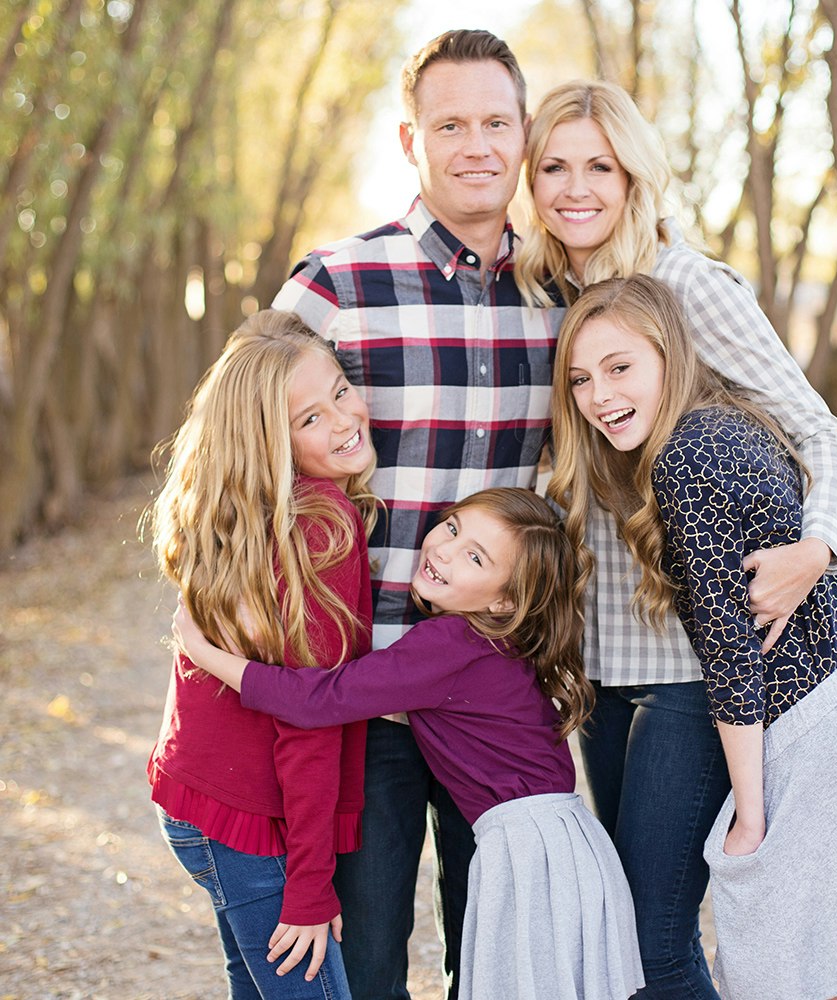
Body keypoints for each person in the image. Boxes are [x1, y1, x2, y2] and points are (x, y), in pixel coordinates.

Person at [516, 79, 837, 999]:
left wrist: (818, 549)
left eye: (600, 164)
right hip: (598, 665)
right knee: (631, 924)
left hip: (686, 664)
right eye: (553, 165)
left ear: (636, 176)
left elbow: (821, 432)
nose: (576, 186)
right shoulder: (553, 297)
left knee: (651, 931)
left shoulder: (688, 288)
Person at [550, 274, 837, 1000]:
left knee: (797, 971)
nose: (600, 396)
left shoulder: (684, 462)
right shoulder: (728, 421)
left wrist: (751, 814)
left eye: (620, 367)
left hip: (806, 740)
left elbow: (730, 657)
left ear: (670, 354)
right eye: (580, 379)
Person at [270, 29, 560, 1000]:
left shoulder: (563, 297)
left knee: (499, 955)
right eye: (449, 125)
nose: (475, 144)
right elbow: (235, 447)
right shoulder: (336, 284)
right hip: (367, 693)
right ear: (410, 141)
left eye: (494, 122)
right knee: (369, 961)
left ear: (522, 135)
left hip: (497, 696)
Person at [172, 487, 646, 1000]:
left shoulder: (448, 645)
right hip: (562, 840)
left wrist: (206, 653)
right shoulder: (491, 641)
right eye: (453, 526)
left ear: (505, 599)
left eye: (474, 557)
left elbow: (320, 699)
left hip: (529, 849)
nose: (444, 548)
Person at [145, 310, 380, 997]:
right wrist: (309, 886)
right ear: (268, 443)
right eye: (308, 419)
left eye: (340, 391)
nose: (341, 419)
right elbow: (309, 720)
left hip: (198, 799)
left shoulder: (252, 517)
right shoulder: (321, 531)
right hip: (248, 822)